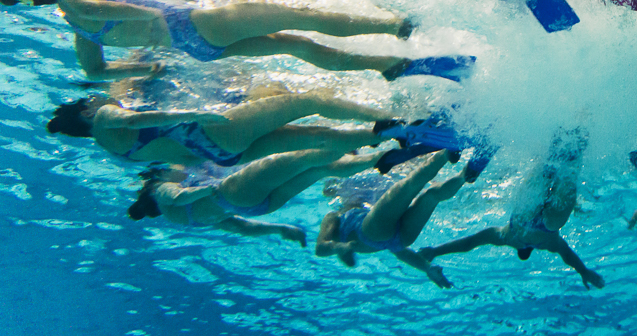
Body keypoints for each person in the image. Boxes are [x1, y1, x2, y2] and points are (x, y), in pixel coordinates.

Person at [0, 0, 415, 79]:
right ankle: (396, 25)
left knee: (297, 46)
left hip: (197, 47)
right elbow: (85, 2)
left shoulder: (78, 32)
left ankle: (386, 65)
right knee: (301, 17)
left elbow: (95, 73)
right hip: (199, 24)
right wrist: (142, 14)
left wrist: (148, 70)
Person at [416, 127, 604, 289]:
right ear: (521, 251)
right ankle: (557, 157)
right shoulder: (505, 237)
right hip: (525, 220)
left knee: (560, 193)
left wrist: (584, 271)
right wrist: (434, 251)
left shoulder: (549, 244)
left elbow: (569, 257)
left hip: (546, 227)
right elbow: (469, 243)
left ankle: (570, 153)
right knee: (541, 191)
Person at [47, 88, 395, 166]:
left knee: (319, 138)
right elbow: (136, 119)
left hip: (223, 158)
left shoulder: (117, 152)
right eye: (91, 100)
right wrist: (191, 114)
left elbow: (184, 160)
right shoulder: (105, 119)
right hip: (209, 133)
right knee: (307, 101)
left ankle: (397, 138)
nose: (100, 98)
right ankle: (392, 118)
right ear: (86, 113)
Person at [126, 146, 397, 243]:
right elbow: (176, 196)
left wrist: (280, 228)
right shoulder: (160, 190)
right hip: (231, 193)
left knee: (318, 169)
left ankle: (383, 157)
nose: (177, 171)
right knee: (303, 157)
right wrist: (211, 188)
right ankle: (370, 141)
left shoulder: (186, 220)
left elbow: (240, 227)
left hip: (257, 207)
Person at [316, 150, 470, 288]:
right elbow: (320, 248)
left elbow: (400, 252)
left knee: (432, 196)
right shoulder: (332, 216)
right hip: (373, 232)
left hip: (397, 241)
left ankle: (465, 176)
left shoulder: (348, 210)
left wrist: (427, 268)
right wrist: (337, 247)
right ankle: (446, 153)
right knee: (409, 185)